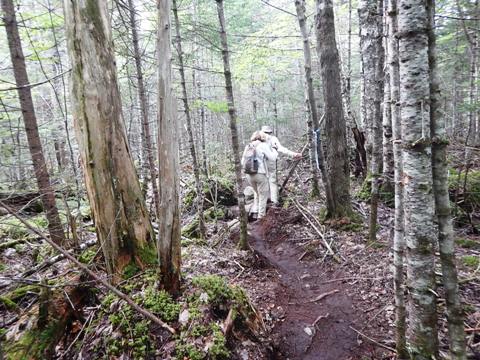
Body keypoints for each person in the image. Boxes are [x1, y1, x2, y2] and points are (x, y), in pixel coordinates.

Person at [261, 125, 302, 205]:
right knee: (272, 181)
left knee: (263, 181)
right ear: (270, 132)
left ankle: (265, 201)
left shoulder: (259, 139)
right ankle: (274, 201)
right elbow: (281, 149)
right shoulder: (272, 139)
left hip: (260, 163)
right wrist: (293, 154)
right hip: (270, 161)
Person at [241, 131, 276, 219]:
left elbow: (242, 162)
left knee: (257, 193)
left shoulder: (248, 146)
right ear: (263, 137)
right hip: (260, 174)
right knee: (263, 196)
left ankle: (254, 212)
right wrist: (274, 150)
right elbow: (273, 158)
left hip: (249, 175)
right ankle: (261, 218)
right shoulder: (263, 145)